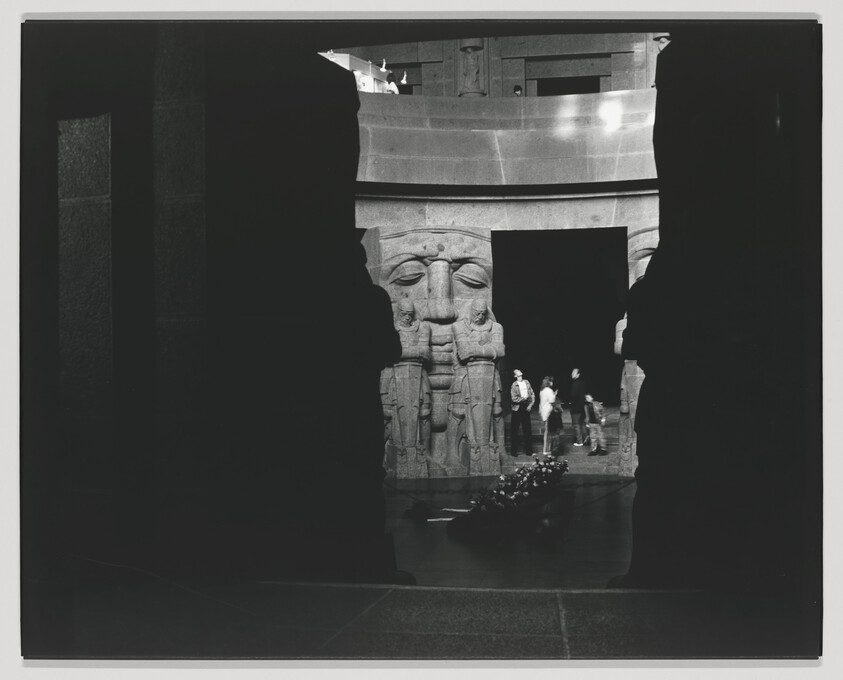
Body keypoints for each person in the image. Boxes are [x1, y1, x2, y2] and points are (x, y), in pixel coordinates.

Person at [509, 369, 535, 457]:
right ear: (515, 376)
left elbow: (532, 394)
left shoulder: (527, 382)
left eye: (521, 374)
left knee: (527, 429)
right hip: (517, 408)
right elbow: (514, 398)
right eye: (518, 375)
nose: (520, 376)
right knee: (514, 430)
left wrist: (530, 404)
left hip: (525, 407)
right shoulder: (514, 385)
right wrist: (523, 399)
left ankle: (529, 451)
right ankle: (514, 451)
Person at [538, 376, 558, 454]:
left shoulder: (542, 390)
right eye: (551, 381)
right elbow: (552, 401)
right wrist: (555, 394)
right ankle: (546, 450)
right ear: (549, 382)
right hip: (548, 413)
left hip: (544, 413)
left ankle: (547, 449)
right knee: (548, 432)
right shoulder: (549, 390)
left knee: (547, 431)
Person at [569, 368, 587, 447]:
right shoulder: (582, 383)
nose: (572, 374)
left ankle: (580, 441)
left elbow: (574, 396)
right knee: (582, 424)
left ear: (578, 374)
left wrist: (572, 407)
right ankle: (586, 439)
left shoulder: (575, 384)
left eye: (574, 373)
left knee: (576, 425)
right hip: (582, 407)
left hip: (576, 408)